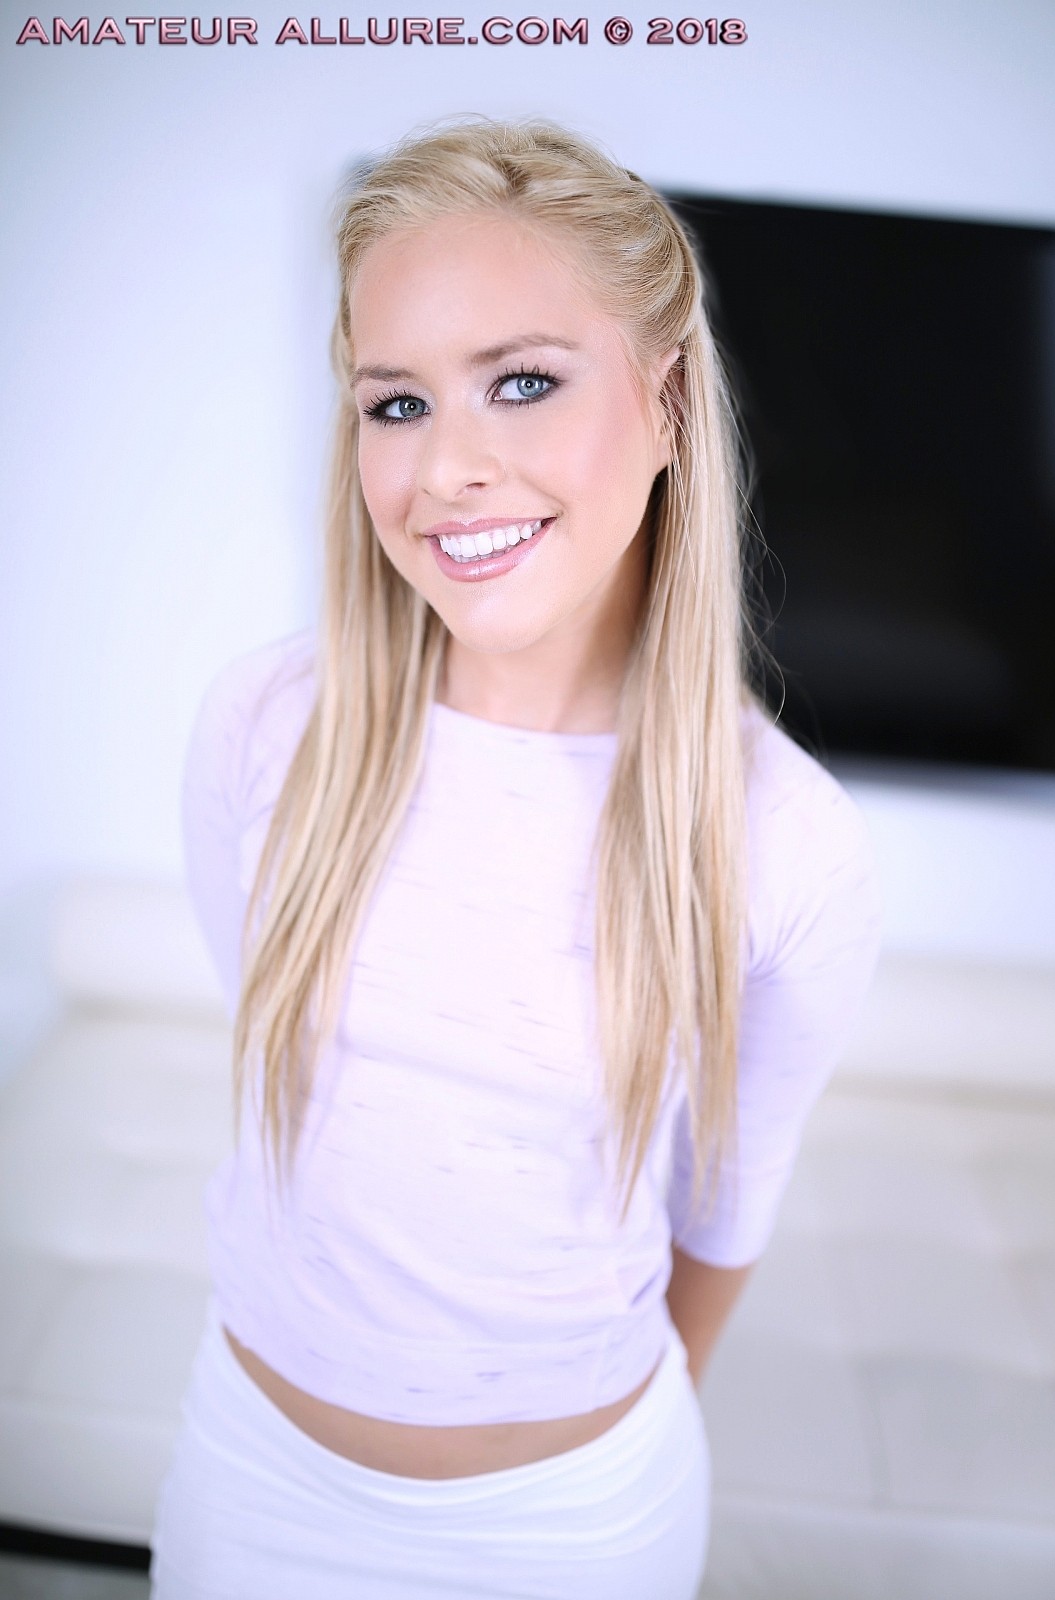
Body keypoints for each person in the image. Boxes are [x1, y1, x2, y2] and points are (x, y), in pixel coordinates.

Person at [149, 116, 883, 1600]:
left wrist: (564, 1450)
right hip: (252, 1481)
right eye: (395, 403)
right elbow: (296, 1082)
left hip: (568, 1532)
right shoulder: (264, 726)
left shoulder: (786, 841)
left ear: (665, 404)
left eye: (524, 383)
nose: (447, 469)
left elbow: (725, 1208)